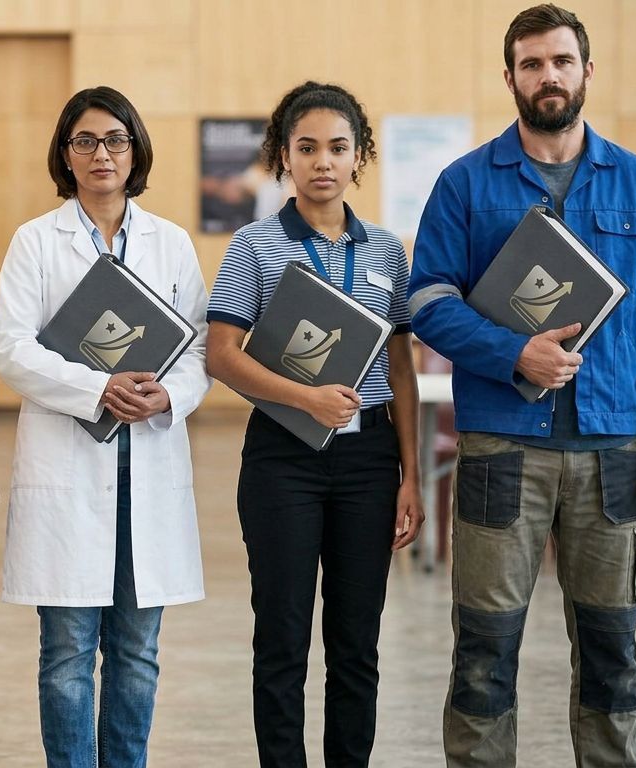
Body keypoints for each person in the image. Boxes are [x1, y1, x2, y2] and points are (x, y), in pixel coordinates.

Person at [407, 5, 636, 766]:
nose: (548, 76)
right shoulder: (464, 184)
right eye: (531, 64)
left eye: (562, 61)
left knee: (612, 655)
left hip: (610, 456)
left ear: (587, 71)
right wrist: (514, 354)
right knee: (483, 654)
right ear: (510, 77)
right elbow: (426, 302)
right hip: (501, 452)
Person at [0, 86, 210, 768]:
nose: (101, 154)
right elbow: (10, 347)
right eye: (84, 141)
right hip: (68, 466)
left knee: (138, 653)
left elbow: (200, 349)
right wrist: (98, 389)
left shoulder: (171, 243)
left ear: (136, 150)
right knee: (67, 654)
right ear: (66, 154)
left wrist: (168, 396)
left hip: (149, 464)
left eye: (115, 139)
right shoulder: (36, 241)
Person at [205, 81, 423, 767]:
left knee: (357, 644)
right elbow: (221, 355)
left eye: (336, 147)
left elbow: (402, 367)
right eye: (306, 148)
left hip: (370, 463)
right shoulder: (255, 245)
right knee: (282, 640)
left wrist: (412, 475)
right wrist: (305, 399)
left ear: (359, 156)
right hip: (282, 459)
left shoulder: (387, 250)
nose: (322, 161)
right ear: (283, 157)